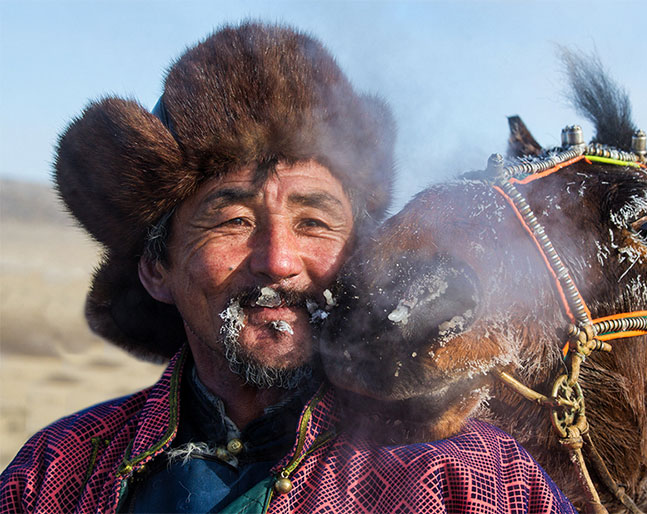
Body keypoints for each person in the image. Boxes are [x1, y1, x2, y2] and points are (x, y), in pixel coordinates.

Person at [0, 22, 575, 513]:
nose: (277, 260)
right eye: (233, 222)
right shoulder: (60, 475)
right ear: (156, 266)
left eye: (314, 222)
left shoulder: (470, 481)